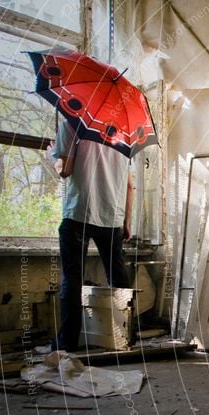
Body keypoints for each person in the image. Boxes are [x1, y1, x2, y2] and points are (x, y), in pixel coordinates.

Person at [48, 118, 134, 352]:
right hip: (112, 216)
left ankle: (68, 342)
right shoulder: (123, 136)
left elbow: (65, 170)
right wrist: (127, 221)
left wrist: (52, 155)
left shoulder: (72, 125)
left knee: (72, 279)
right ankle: (125, 336)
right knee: (118, 277)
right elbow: (128, 184)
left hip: (78, 213)